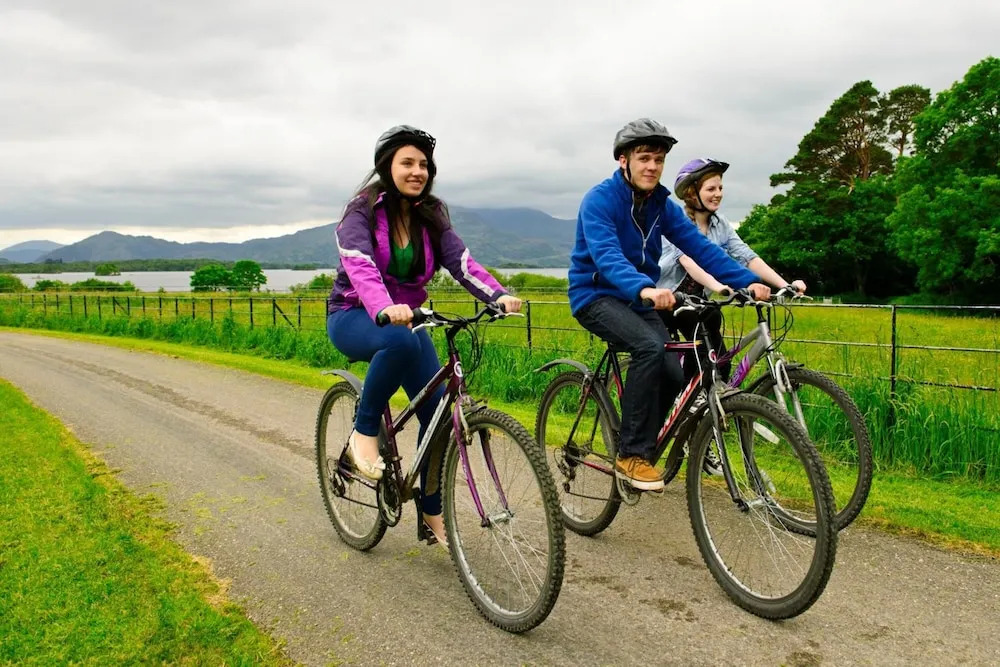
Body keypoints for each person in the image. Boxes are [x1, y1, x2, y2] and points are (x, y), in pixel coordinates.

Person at [327, 125, 521, 544]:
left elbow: (462, 262)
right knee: (398, 340)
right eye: (408, 163)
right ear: (387, 167)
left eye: (424, 165)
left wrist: (499, 295)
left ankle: (431, 513)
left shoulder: (431, 215)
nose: (418, 171)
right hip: (354, 313)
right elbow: (359, 263)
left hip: (409, 318)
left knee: (438, 417)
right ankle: (364, 432)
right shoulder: (361, 211)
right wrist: (383, 307)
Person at [568, 119, 770, 491]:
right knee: (649, 347)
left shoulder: (661, 204)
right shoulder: (600, 200)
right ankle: (631, 455)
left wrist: (748, 281)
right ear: (624, 161)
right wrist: (645, 288)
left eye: (658, 160)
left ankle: (644, 445)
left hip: (638, 297)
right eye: (644, 158)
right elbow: (607, 256)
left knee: (674, 374)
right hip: (595, 295)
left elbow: (702, 249)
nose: (652, 167)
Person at [657, 158, 807, 383]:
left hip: (698, 304)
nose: (718, 194)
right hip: (667, 300)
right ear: (691, 193)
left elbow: (748, 257)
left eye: (720, 188)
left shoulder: (721, 224)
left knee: (720, 361)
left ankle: (707, 401)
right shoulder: (678, 221)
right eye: (711, 189)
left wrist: (784, 284)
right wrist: (721, 287)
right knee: (694, 359)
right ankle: (689, 398)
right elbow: (689, 261)